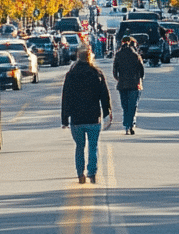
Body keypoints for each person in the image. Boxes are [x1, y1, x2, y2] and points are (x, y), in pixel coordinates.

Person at [60, 44, 112, 183]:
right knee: (93, 146)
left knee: (79, 147)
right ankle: (92, 172)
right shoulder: (97, 74)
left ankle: (80, 174)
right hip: (94, 117)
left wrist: (65, 119)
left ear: (78, 57)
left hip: (77, 119)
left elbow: (66, 98)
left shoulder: (71, 74)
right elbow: (104, 96)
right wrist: (107, 112)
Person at [112, 36, 145, 134]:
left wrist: (119, 79)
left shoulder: (118, 55)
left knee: (125, 106)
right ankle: (131, 124)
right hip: (135, 85)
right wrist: (139, 79)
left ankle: (126, 125)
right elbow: (142, 71)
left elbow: (115, 71)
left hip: (122, 85)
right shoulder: (136, 55)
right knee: (133, 106)